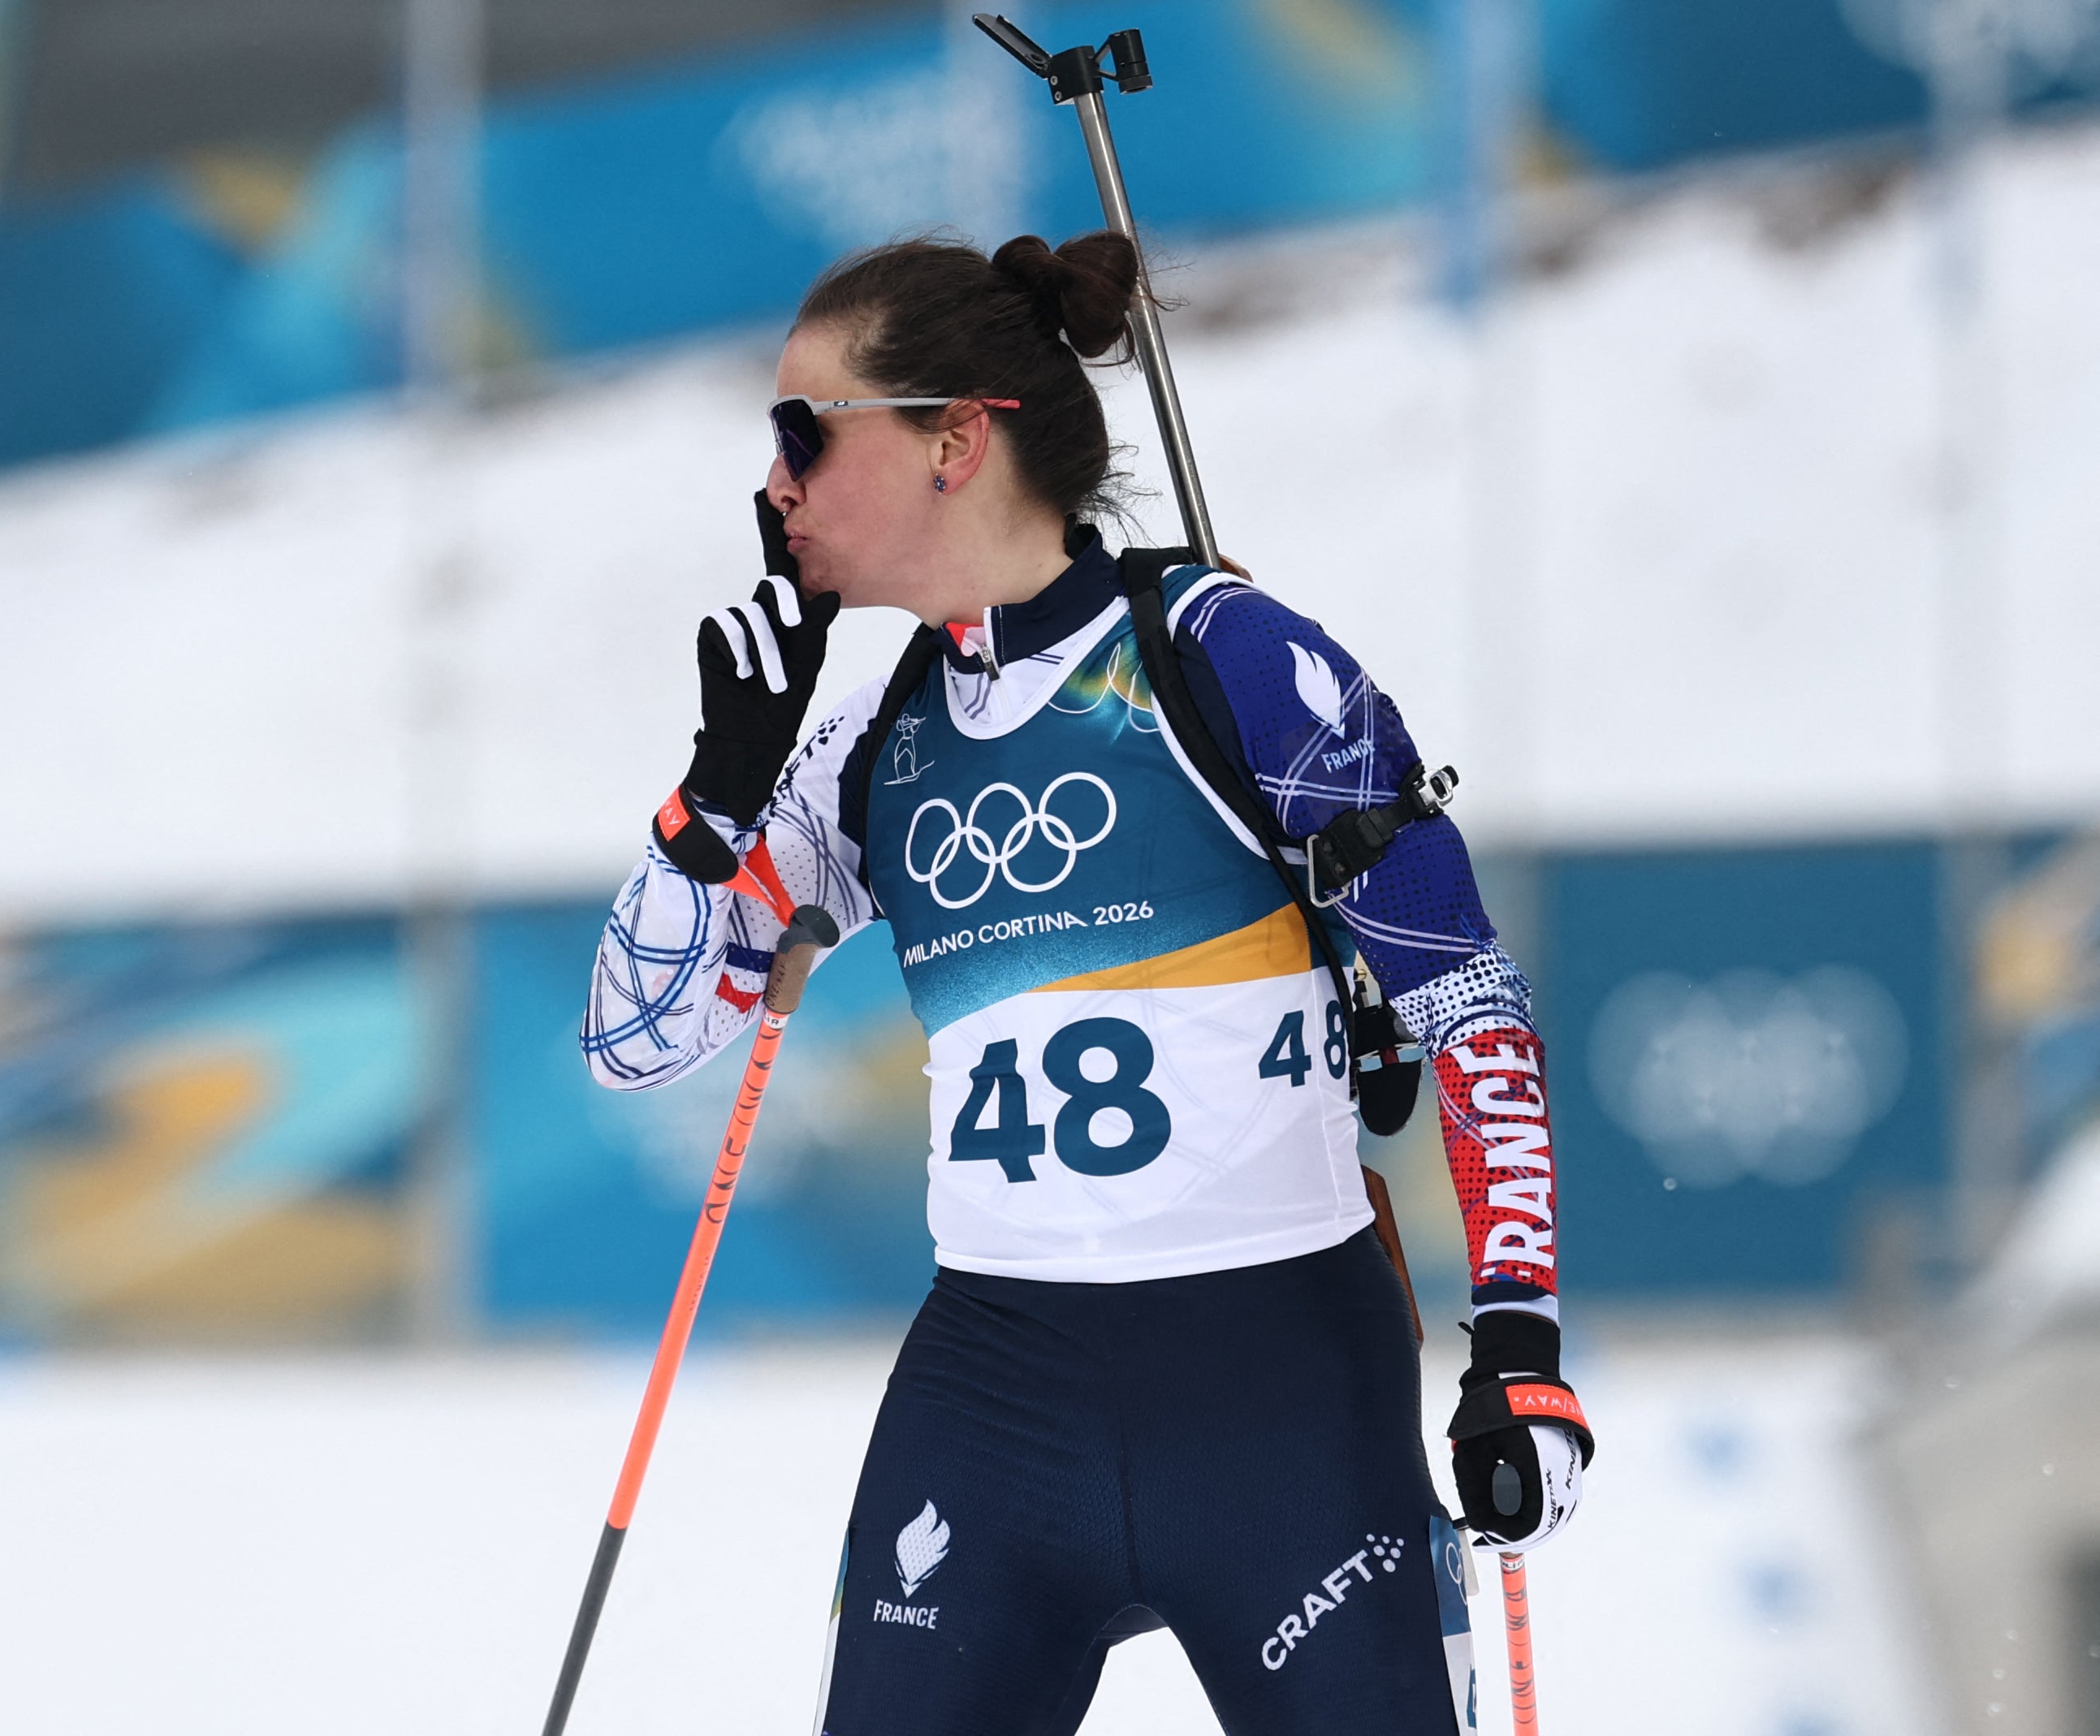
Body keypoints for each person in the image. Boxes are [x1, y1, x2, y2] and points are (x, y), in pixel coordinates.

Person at [581, 230, 1589, 1735]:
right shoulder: (872, 735)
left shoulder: (1221, 658)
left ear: (953, 440)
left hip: (1275, 1390)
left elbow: (1466, 1001)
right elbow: (633, 1041)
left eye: (803, 434)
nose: (773, 486)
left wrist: (1518, 1342)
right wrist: (710, 806)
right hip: (995, 1397)